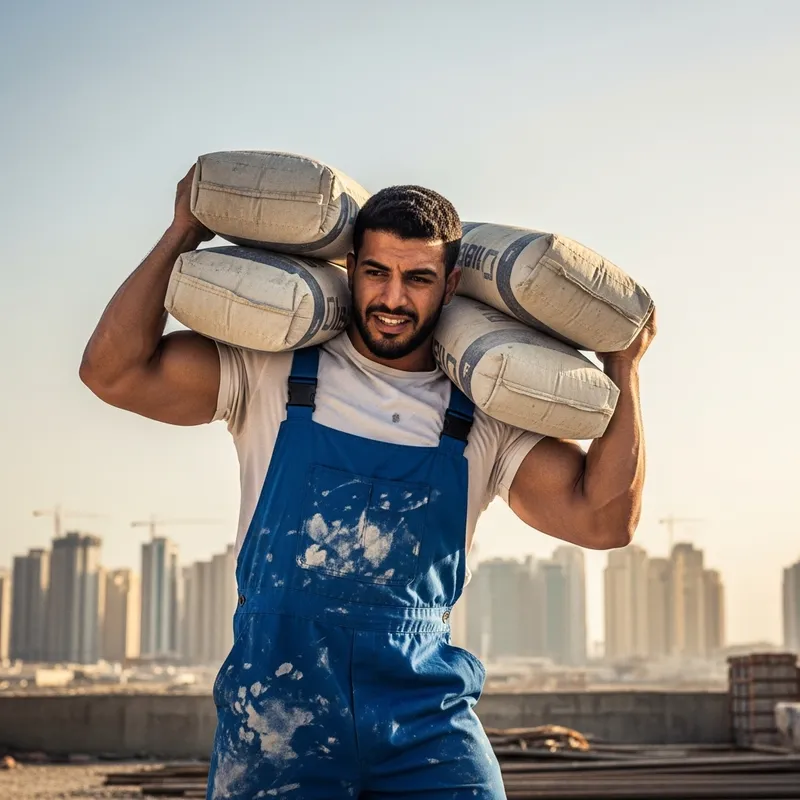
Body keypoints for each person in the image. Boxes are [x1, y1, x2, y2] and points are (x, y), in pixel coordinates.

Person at [80, 165, 656, 799]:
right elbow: (114, 372)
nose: (393, 299)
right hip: (277, 722)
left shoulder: (485, 411)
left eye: (418, 279)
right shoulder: (270, 371)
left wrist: (623, 365)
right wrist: (182, 232)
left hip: (424, 726)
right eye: (377, 272)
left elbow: (605, 521)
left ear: (451, 284)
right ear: (351, 268)